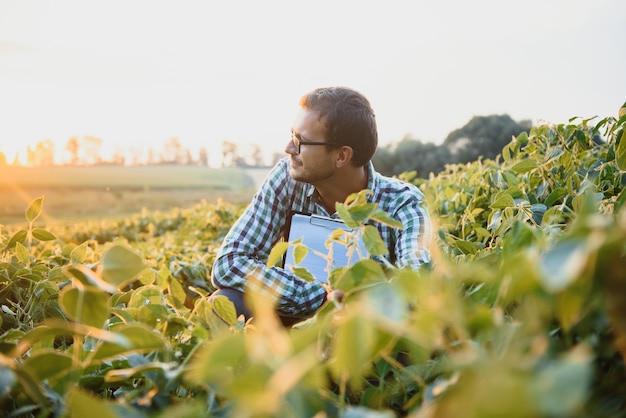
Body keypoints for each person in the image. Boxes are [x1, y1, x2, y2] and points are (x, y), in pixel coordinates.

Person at [211, 86, 431, 325]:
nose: (289, 148)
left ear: (341, 156)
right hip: (292, 320)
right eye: (292, 135)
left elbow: (418, 279)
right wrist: (321, 299)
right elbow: (229, 262)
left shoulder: (402, 202)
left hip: (364, 326)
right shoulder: (287, 177)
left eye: (301, 141)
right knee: (225, 303)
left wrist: (360, 303)